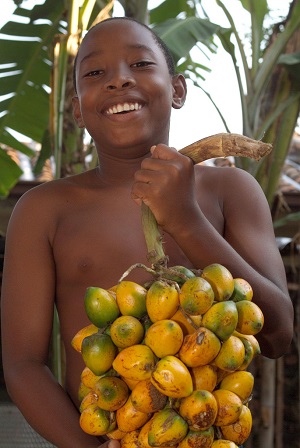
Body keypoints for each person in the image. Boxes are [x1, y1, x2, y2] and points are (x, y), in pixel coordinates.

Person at [1, 16, 294, 448]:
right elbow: (23, 364)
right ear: (78, 109)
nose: (119, 81)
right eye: (96, 72)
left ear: (177, 90)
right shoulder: (44, 210)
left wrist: (185, 220)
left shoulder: (230, 190)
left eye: (139, 64)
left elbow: (278, 335)